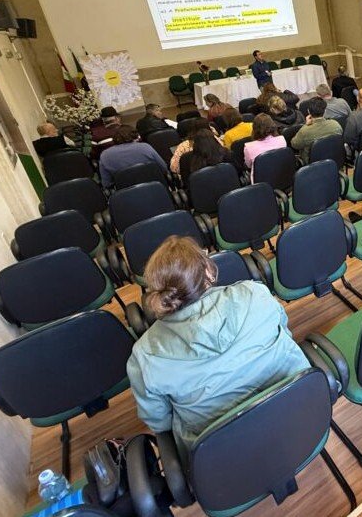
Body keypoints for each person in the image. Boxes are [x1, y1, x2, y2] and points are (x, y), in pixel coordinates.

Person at [126, 236, 309, 453]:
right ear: (209, 272)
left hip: (223, 456)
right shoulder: (256, 293)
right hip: (298, 414)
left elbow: (160, 422)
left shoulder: (144, 354)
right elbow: (284, 333)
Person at [98, 125, 168, 188]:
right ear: (135, 136)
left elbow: (106, 184)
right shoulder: (145, 147)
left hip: (127, 197)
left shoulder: (105, 155)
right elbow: (164, 168)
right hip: (157, 190)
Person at [290, 97, 342, 163]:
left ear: (308, 111)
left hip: (313, 164)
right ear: (325, 111)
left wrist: (306, 125)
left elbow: (294, 144)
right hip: (333, 159)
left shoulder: (305, 131)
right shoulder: (336, 124)